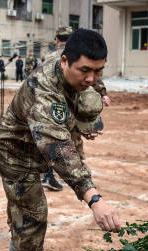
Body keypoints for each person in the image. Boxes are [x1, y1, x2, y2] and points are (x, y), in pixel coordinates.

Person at [0, 29, 121, 251]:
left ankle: (17, 242)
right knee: (34, 213)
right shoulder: (45, 91)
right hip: (15, 151)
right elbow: (57, 148)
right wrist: (94, 199)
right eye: (85, 71)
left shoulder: (72, 59)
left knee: (22, 201)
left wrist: (96, 98)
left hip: (35, 142)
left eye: (98, 71)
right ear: (64, 61)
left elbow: (89, 82)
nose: (91, 78)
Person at [41, 26, 110, 191]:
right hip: (67, 104)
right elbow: (91, 79)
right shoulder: (77, 54)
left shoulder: (49, 56)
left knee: (54, 137)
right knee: (66, 139)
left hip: (52, 104)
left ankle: (53, 174)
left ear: (57, 39)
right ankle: (70, 175)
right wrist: (102, 93)